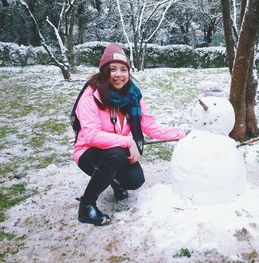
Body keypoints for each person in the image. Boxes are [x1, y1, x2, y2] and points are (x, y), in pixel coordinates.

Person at [73, 43, 187, 226]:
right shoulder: (91, 95)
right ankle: (87, 206)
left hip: (116, 152)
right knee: (117, 154)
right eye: (113, 69)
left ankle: (114, 181)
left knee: (135, 180)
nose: (119, 74)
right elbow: (91, 135)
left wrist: (182, 134)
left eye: (123, 69)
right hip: (89, 152)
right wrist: (128, 141)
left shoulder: (132, 96)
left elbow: (151, 127)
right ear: (104, 71)